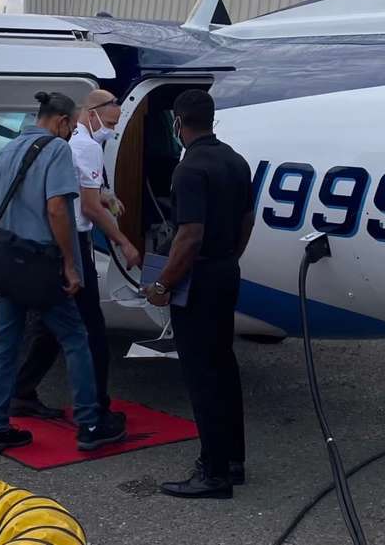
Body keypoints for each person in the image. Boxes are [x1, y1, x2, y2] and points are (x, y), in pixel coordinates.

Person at [0, 91, 127, 455]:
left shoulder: (8, 150)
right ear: (61, 121)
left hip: (6, 263)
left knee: (6, 344)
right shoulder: (57, 150)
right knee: (75, 338)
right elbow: (58, 208)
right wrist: (69, 264)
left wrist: (2, 239)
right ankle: (90, 424)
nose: (71, 132)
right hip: (41, 263)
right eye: (71, 126)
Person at [146, 89, 255, 499]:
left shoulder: (188, 169)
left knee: (201, 376)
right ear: (212, 119)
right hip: (226, 271)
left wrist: (163, 284)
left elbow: (189, 235)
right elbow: (247, 219)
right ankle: (233, 460)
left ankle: (213, 473)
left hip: (200, 279)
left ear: (178, 123)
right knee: (224, 366)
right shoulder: (235, 160)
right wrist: (229, 257)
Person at [12, 90, 142, 422]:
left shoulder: (66, 144)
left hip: (50, 241)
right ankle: (96, 409)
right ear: (91, 113)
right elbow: (87, 207)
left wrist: (105, 196)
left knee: (48, 326)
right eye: (110, 124)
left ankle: (20, 391)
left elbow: (83, 192)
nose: (111, 131)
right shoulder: (86, 146)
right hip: (73, 241)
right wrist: (123, 241)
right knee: (90, 330)